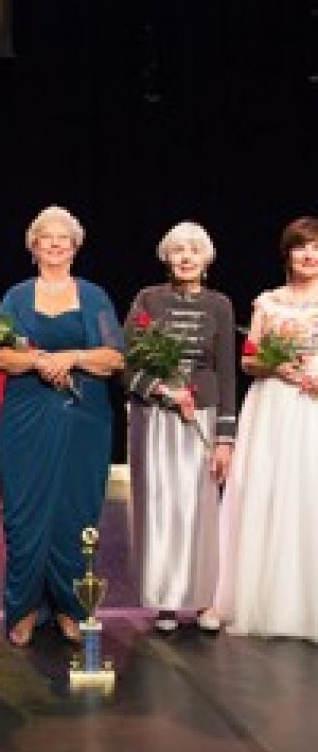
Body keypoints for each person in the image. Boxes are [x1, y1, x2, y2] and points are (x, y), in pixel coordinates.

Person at [0, 205, 124, 647]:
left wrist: (73, 358)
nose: (55, 243)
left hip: (84, 420)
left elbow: (114, 357)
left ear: (75, 246)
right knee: (23, 514)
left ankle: (71, 606)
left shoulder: (95, 297)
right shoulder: (16, 297)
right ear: (34, 246)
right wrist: (39, 361)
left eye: (63, 237)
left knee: (75, 512)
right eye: (46, 237)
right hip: (26, 419)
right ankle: (24, 607)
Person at [124, 222, 235, 634]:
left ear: (206, 259)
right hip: (156, 419)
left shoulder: (220, 305)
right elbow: (127, 364)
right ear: (166, 258)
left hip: (201, 417)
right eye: (178, 251)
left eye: (194, 250)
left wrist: (225, 437)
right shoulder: (148, 299)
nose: (186, 257)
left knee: (200, 507)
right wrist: (163, 392)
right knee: (162, 507)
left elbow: (225, 373)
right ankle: (166, 599)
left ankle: (203, 597)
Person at [216, 216, 318, 642]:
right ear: (287, 254)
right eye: (301, 247)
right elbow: (248, 360)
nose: (309, 255)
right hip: (274, 403)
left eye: (315, 247)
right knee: (271, 492)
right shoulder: (268, 302)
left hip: (312, 402)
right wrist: (278, 366)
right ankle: (263, 599)